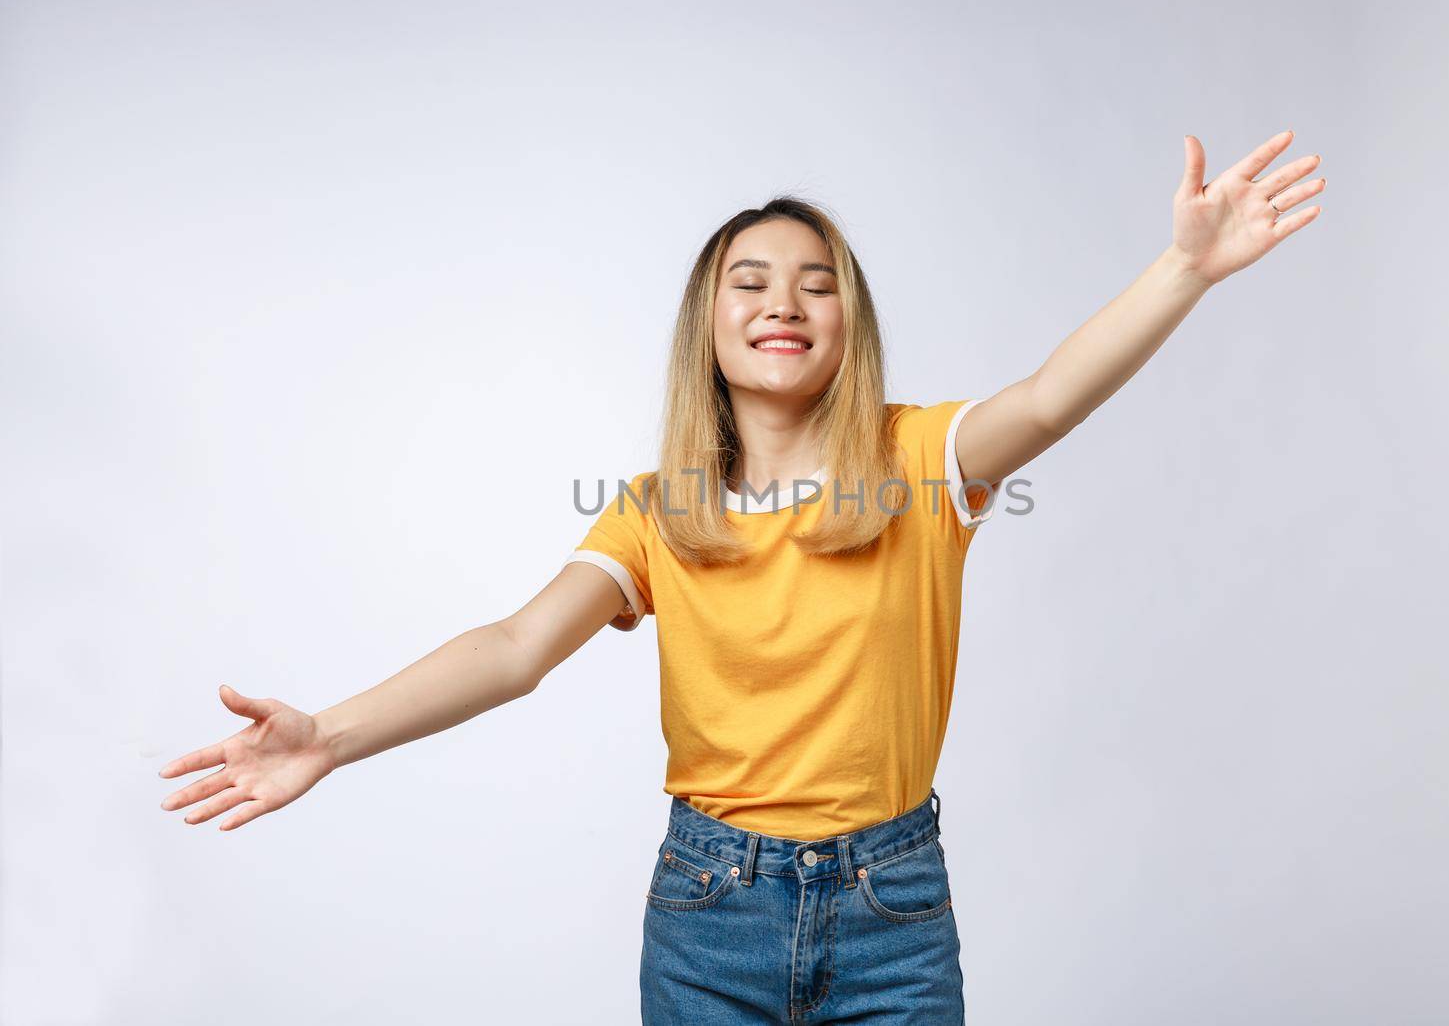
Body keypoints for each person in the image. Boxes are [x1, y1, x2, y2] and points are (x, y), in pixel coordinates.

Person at [158, 130, 1325, 1023]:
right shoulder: (660, 512)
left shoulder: (923, 463)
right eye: (750, 280)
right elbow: (513, 650)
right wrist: (329, 735)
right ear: (706, 324)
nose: (783, 301)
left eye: (817, 281)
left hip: (893, 907)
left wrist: (1184, 269)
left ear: (848, 319)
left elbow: (1053, 391)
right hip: (709, 909)